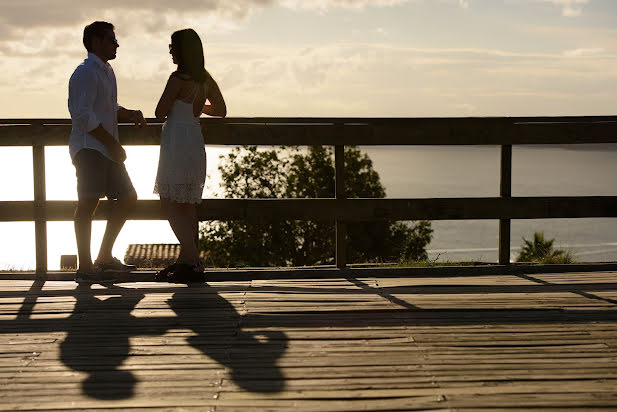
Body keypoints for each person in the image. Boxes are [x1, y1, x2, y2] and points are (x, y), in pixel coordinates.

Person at [68, 21, 147, 283]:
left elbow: (108, 107)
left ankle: (103, 257)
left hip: (107, 149)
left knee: (128, 197)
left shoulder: (106, 71)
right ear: (96, 42)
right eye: (112, 40)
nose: (117, 44)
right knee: (87, 204)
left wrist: (130, 113)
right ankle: (85, 266)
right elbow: (82, 115)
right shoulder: (85, 72)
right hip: (90, 149)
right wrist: (112, 144)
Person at [154, 28, 226, 282]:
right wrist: (196, 108)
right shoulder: (205, 80)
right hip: (194, 139)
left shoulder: (177, 79)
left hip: (176, 141)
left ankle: (194, 259)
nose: (170, 50)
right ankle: (186, 260)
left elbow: (159, 112)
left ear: (183, 50)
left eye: (173, 46)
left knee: (169, 199)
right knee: (187, 203)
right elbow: (221, 110)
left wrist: (178, 107)